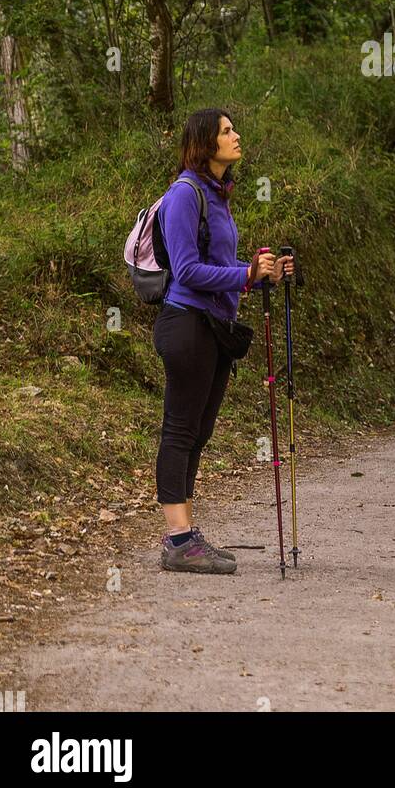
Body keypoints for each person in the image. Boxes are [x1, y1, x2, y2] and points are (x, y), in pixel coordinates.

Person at [153, 107, 293, 573]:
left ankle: (185, 535)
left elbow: (228, 271)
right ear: (205, 143)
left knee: (200, 430)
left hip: (213, 328)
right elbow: (188, 270)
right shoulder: (184, 195)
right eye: (227, 131)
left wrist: (263, 274)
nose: (236, 136)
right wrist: (244, 275)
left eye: (234, 128)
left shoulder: (217, 195)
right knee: (180, 428)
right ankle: (177, 540)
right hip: (186, 323)